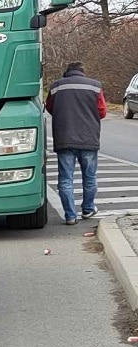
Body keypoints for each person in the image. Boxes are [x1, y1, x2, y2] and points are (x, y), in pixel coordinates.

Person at [45, 62, 107, 225]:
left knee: (66, 178)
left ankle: (70, 215)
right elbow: (102, 111)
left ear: (67, 72)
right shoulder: (95, 86)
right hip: (88, 138)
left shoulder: (56, 87)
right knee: (90, 177)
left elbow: (50, 107)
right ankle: (88, 208)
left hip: (64, 138)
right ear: (83, 72)